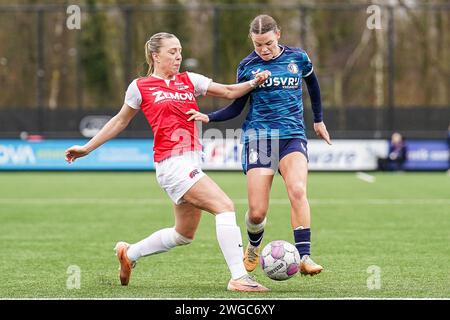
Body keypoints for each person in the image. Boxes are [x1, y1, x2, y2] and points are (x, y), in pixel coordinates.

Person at [64, 32, 271, 292]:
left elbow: (230, 91)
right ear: (155, 55)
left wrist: (254, 81)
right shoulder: (140, 86)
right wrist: (87, 148)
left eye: (180, 51)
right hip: (172, 164)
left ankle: (129, 254)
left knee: (183, 235)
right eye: (172, 51)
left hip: (192, 162)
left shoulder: (189, 80)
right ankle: (239, 277)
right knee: (225, 206)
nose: (178, 56)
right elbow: (119, 121)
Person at [187, 15, 331, 276]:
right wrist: (210, 117)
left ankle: (305, 256)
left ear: (278, 34)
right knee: (256, 213)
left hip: (292, 135)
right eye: (257, 45)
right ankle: (253, 247)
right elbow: (237, 106)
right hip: (260, 139)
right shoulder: (247, 66)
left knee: (298, 190)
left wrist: (318, 121)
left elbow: (313, 86)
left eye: (267, 43)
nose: (263, 50)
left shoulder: (298, 58)